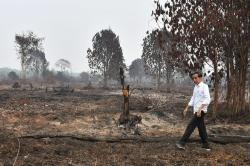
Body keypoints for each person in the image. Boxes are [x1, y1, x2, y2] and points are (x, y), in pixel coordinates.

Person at [176, 71, 211, 151]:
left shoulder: (204, 87)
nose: (194, 80)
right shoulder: (195, 87)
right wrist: (187, 107)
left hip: (201, 111)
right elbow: (193, 98)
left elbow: (207, 99)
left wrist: (200, 109)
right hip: (196, 111)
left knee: (190, 126)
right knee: (201, 128)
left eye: (196, 78)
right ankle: (206, 145)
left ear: (200, 78)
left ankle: (182, 143)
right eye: (193, 78)